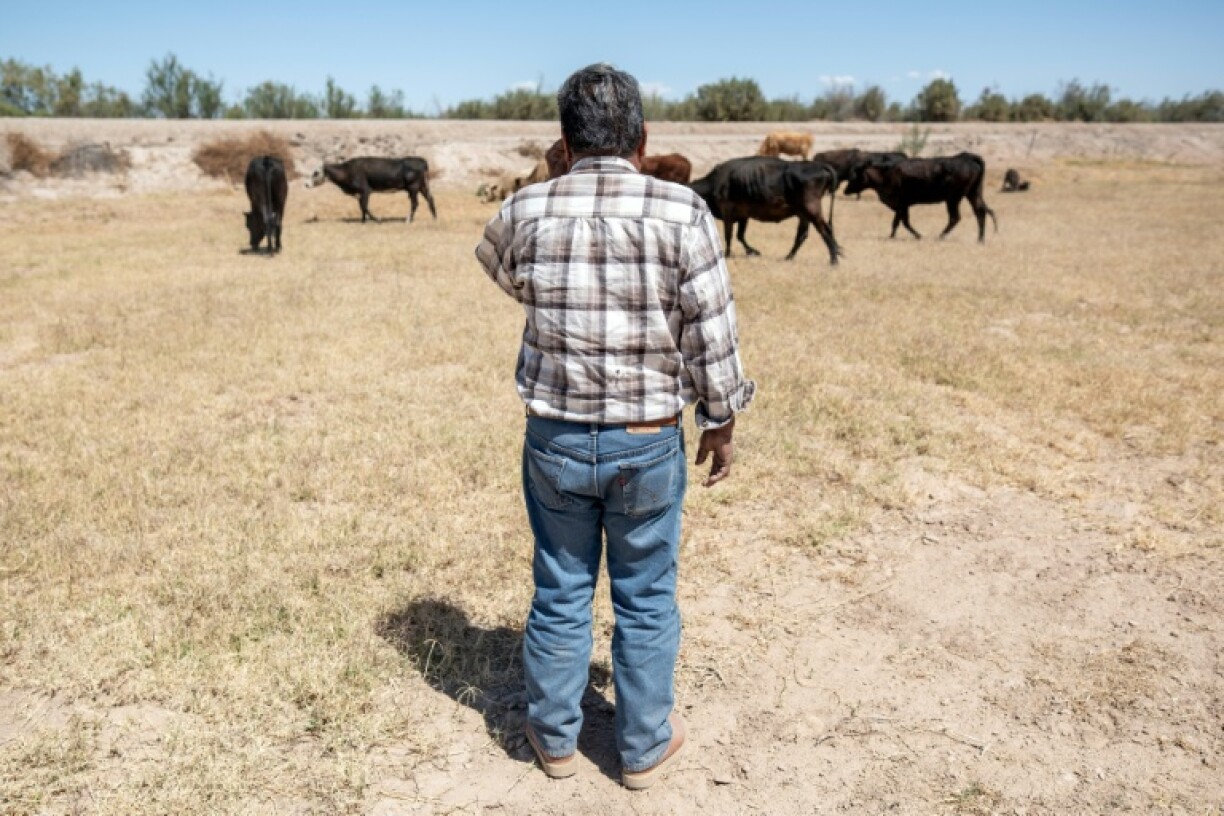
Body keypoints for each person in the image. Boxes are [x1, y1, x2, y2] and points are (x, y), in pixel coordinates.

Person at [475, 63, 755, 790]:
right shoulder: (683, 211)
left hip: (556, 437)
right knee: (647, 594)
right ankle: (642, 747)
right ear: (644, 137)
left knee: (562, 587)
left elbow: (505, 274)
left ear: (564, 141)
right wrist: (719, 417)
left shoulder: (524, 211)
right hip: (648, 437)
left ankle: (555, 740)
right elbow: (711, 330)